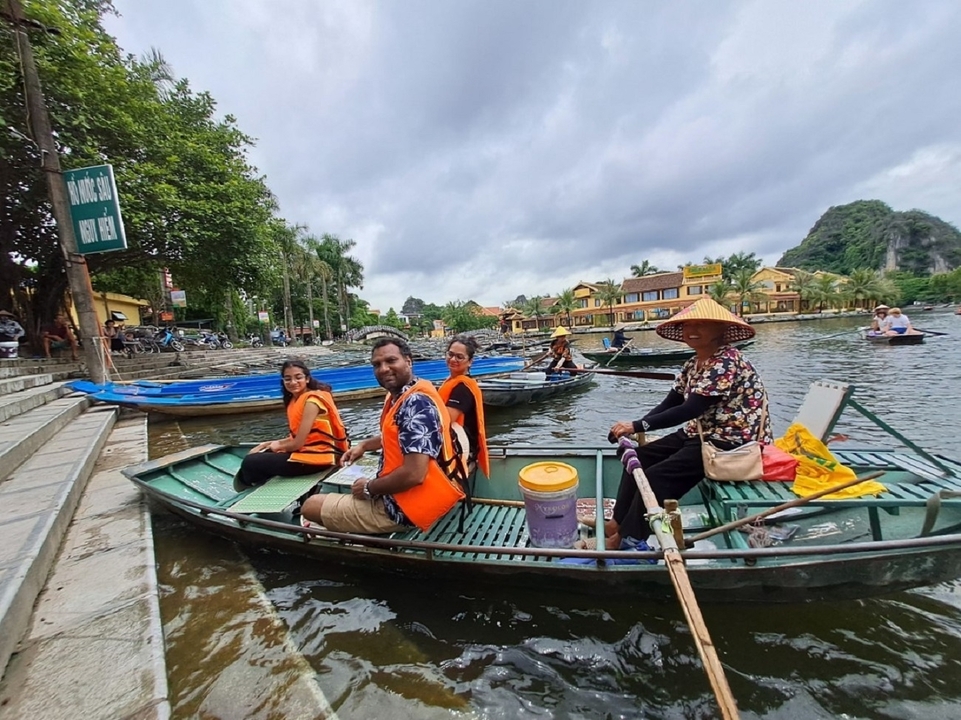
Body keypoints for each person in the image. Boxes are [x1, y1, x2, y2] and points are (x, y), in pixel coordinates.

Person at [596, 297, 771, 550]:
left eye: (702, 324)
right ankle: (617, 523)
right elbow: (672, 402)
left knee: (656, 478)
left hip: (728, 442)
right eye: (688, 325)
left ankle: (628, 538)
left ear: (721, 331)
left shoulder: (726, 361)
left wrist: (637, 426)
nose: (692, 330)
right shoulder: (693, 363)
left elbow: (691, 408)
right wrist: (636, 425)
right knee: (639, 457)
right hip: (698, 433)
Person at [300, 338, 466, 534]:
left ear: (408, 361)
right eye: (377, 364)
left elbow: (415, 474)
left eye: (391, 361)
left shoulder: (415, 403)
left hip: (403, 508)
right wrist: (364, 445)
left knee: (309, 506)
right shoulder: (409, 392)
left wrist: (369, 487)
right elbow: (401, 436)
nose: (383, 369)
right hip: (410, 496)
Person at [234, 360, 350, 489]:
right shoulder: (295, 400)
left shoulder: (312, 402)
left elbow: (297, 444)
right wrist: (266, 444)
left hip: (321, 458)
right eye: (288, 379)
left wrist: (275, 446)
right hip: (311, 452)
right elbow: (297, 437)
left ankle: (251, 487)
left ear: (307, 379)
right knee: (260, 454)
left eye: (298, 377)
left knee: (250, 462)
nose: (293, 382)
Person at [437, 335, 490, 480]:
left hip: (459, 455)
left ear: (470, 362)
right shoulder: (451, 382)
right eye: (451, 354)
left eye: (459, 357)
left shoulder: (463, 389)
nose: (453, 360)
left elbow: (445, 420)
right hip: (453, 449)